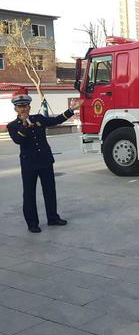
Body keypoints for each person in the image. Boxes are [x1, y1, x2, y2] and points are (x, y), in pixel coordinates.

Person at [7, 88, 83, 233]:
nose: (23, 108)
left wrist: (71, 110)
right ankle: (32, 223)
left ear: (29, 107)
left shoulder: (39, 119)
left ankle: (53, 218)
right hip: (29, 164)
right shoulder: (13, 126)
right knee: (29, 194)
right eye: (20, 106)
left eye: (25, 106)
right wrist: (24, 125)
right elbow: (18, 140)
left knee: (50, 191)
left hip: (45, 161)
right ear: (16, 109)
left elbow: (56, 120)